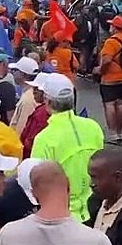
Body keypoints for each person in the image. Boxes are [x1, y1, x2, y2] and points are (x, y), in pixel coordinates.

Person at [30, 73, 104, 222]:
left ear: (47, 101)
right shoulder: (93, 127)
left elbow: (37, 181)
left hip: (63, 216)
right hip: (97, 210)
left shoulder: (44, 138)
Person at [95, 16, 122, 143]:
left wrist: (99, 70)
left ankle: (112, 134)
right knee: (120, 103)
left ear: (114, 27)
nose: (110, 27)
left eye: (111, 25)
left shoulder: (111, 42)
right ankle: (119, 132)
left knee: (110, 104)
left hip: (111, 78)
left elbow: (106, 60)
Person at [18, 74, 51, 158]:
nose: (34, 91)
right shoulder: (43, 110)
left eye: (37, 89)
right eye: (33, 88)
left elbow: (30, 141)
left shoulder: (41, 113)